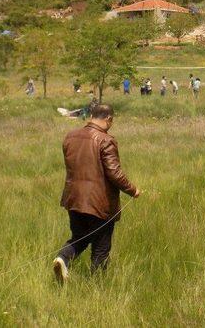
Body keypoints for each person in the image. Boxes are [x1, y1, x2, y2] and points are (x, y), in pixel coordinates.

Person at [53, 104, 141, 284]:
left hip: (73, 199)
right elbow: (114, 173)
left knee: (80, 237)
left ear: (91, 116)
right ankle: (97, 287)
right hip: (99, 203)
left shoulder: (70, 137)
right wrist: (133, 190)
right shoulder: (105, 140)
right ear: (108, 119)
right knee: (101, 247)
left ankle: (62, 258)